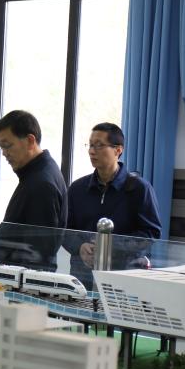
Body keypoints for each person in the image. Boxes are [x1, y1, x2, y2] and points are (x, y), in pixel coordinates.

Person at [63, 123, 161, 288]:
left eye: (99, 145)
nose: (92, 151)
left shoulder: (139, 189)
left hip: (124, 277)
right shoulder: (77, 188)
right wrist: (80, 247)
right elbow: (64, 229)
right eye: (90, 145)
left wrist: (110, 247)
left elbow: (150, 234)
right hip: (82, 277)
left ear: (118, 150)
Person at [0, 110, 68, 271]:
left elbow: (37, 254)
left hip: (23, 280)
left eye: (7, 145)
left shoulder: (42, 183)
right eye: (1, 147)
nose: (4, 153)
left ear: (30, 140)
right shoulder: (36, 173)